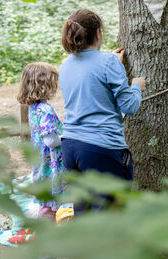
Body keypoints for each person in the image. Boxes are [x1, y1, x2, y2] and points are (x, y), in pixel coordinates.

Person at [58, 9, 146, 181]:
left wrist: (114, 64)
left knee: (84, 207)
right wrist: (136, 86)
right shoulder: (108, 62)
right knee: (111, 207)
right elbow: (129, 106)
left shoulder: (65, 65)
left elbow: (91, 84)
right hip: (101, 149)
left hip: (70, 147)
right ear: (98, 33)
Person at [16, 62, 65, 219]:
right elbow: (51, 140)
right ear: (45, 85)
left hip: (40, 161)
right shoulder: (46, 110)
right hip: (50, 164)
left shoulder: (34, 107)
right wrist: (68, 136)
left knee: (46, 200)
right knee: (50, 203)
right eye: (54, 82)